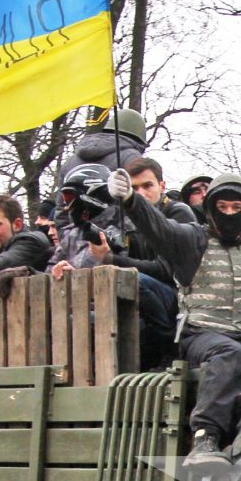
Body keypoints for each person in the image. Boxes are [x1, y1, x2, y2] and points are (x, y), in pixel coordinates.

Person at [105, 168, 241, 468]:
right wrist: (130, 201)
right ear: (211, 209)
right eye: (222, 207)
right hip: (202, 335)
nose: (229, 214)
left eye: (237, 208)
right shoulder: (192, 239)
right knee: (230, 354)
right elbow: (159, 228)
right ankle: (205, 437)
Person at [88, 156, 192, 367]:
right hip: (151, 301)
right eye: (134, 188)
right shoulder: (128, 221)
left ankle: (171, 350)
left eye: (148, 185)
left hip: (182, 298)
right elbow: (132, 261)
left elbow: (165, 270)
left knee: (136, 280)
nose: (142, 194)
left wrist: (110, 259)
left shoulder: (177, 212)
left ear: (162, 186)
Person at [58, 106, 147, 181]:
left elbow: (60, 200)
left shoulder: (70, 161)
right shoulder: (132, 157)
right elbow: (140, 196)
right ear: (139, 139)